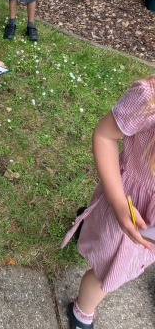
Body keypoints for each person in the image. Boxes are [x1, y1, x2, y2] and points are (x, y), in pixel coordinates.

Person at [61, 76, 155, 329]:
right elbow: (104, 135)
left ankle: (91, 225)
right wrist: (118, 202)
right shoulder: (149, 97)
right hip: (133, 206)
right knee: (110, 270)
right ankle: (82, 311)